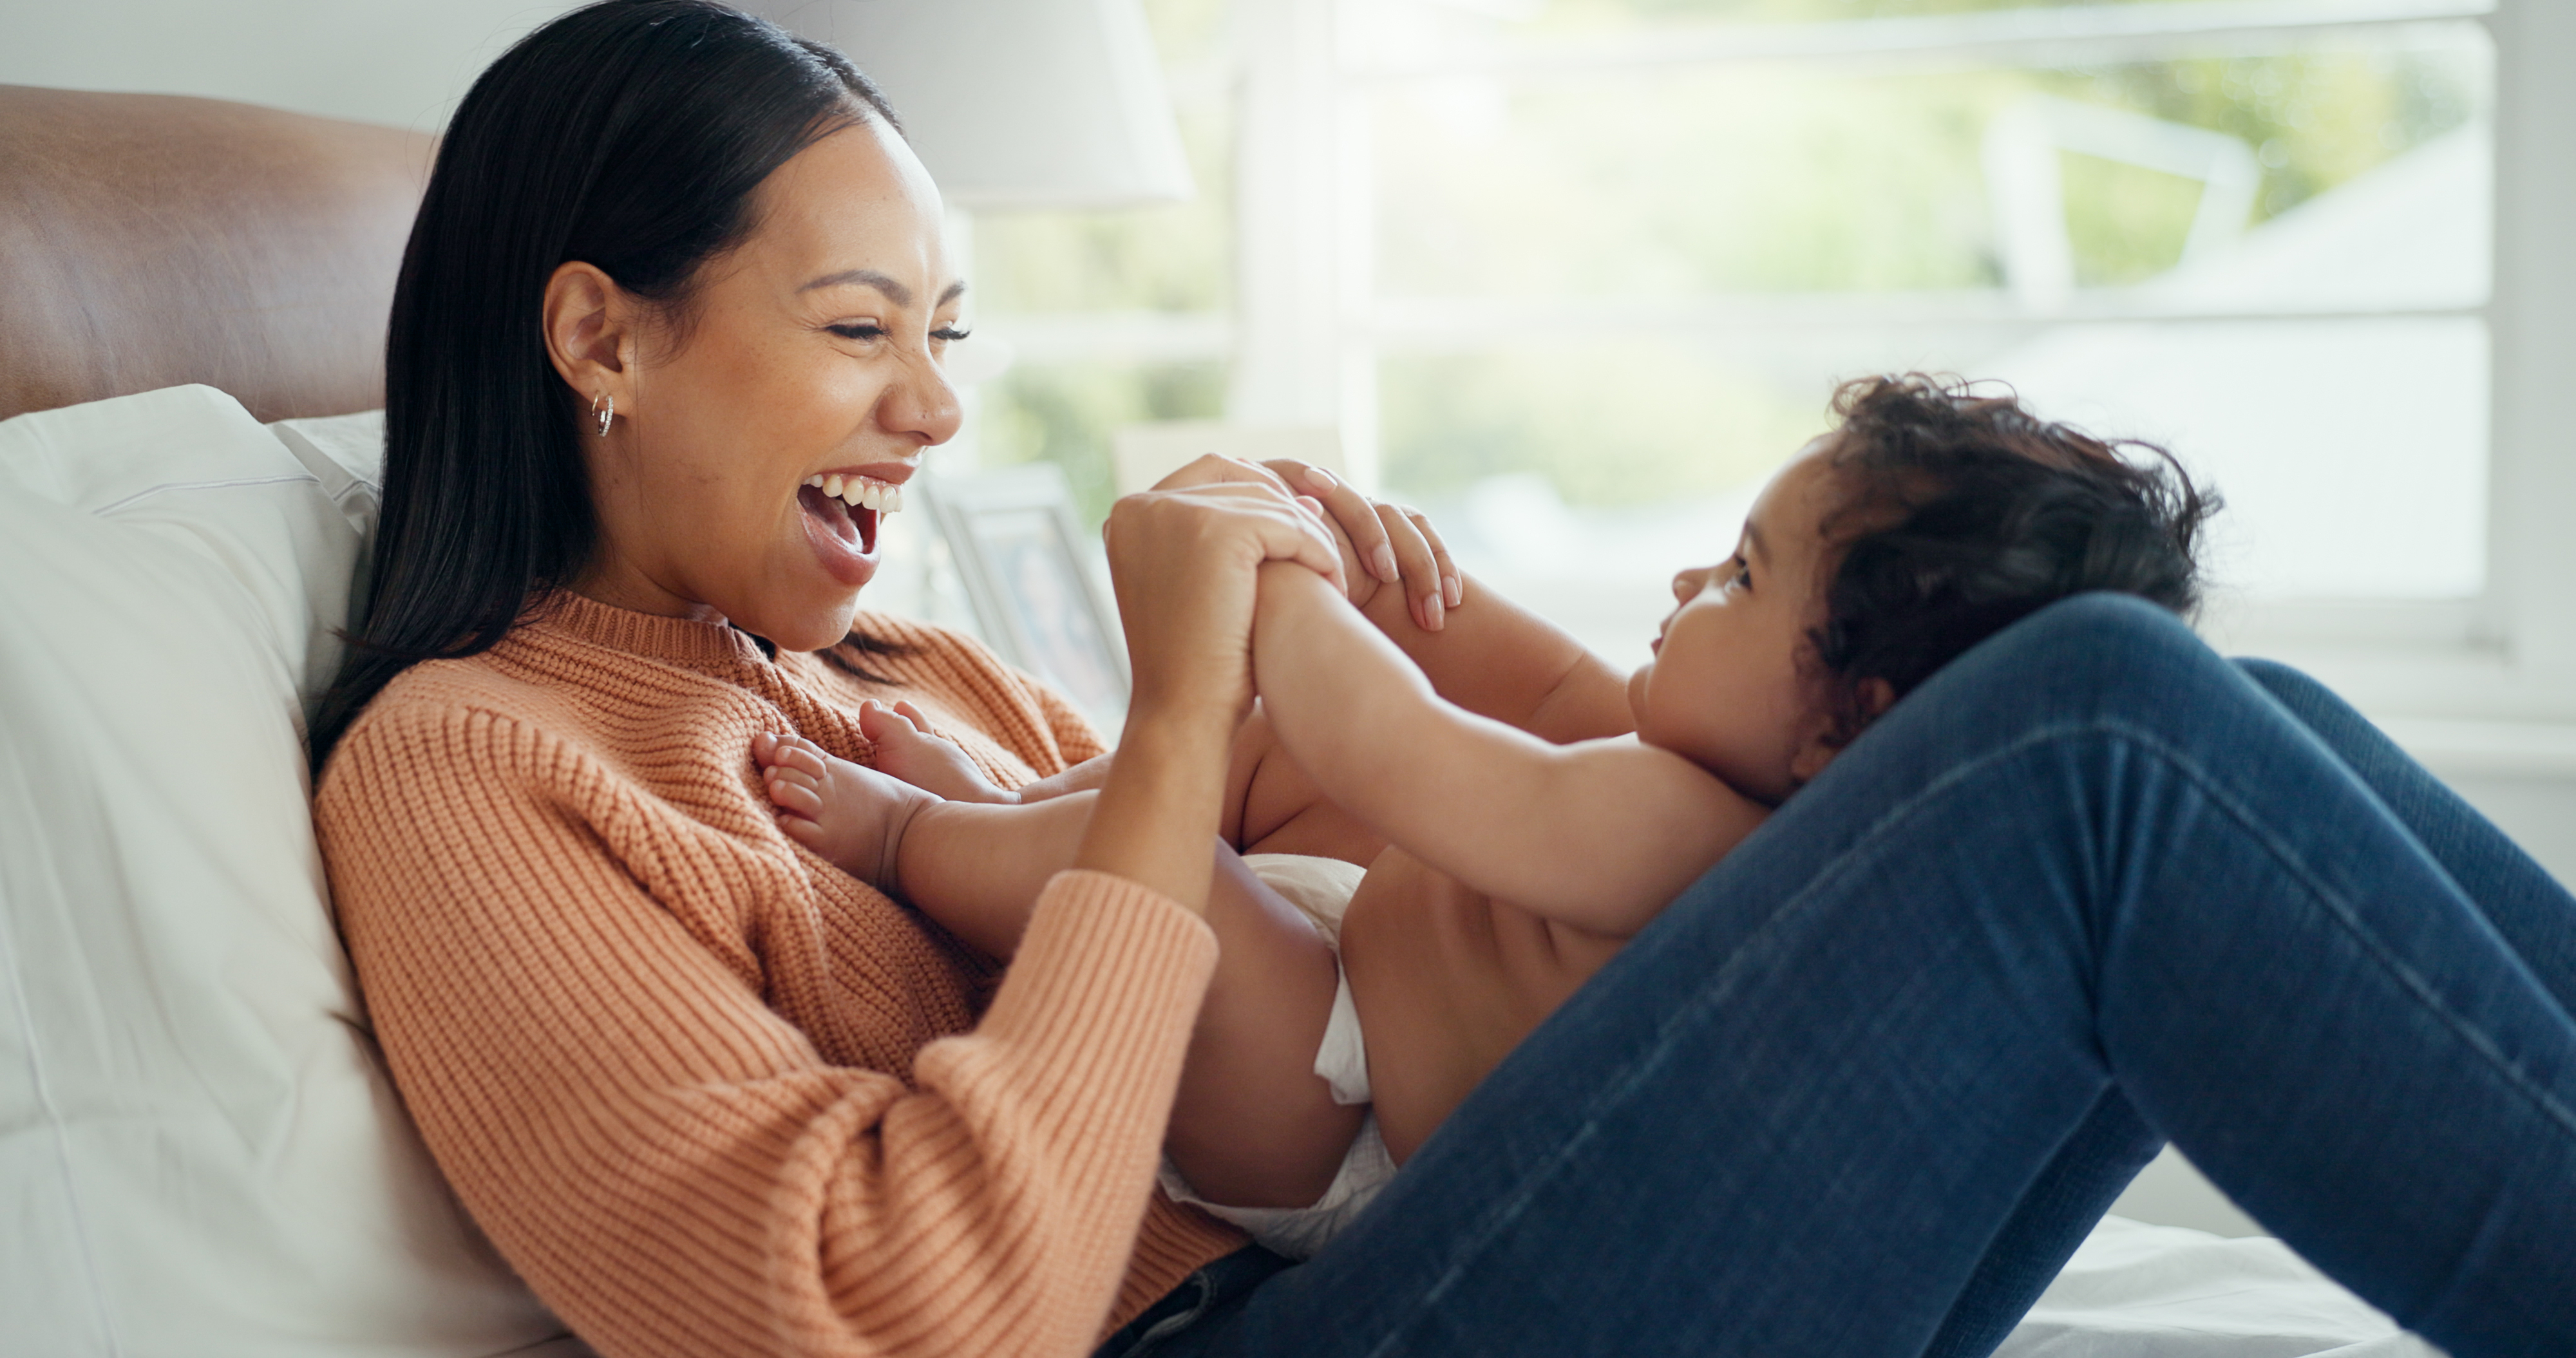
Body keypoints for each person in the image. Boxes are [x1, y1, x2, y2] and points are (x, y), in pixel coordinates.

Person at [310, 4, 2576, 1357]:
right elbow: (895, 1318)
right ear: (599, 334)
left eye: (951, 340)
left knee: (2200, 731)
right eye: (856, 332)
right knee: (2101, 737)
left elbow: (1400, 909)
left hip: (1410, 1222)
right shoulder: (475, 771)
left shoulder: (892, 652)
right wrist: (1184, 725)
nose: (934, 417)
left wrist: (1387, 640)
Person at [745, 374, 2218, 1262]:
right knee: (1242, 759)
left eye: (1739, 579)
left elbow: (1395, 748)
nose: (1683, 589)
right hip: (1346, 973)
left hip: (1335, 1125)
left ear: (1853, 726)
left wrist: (1278, 586)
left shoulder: (1687, 839)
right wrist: (1379, 561)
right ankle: (1012, 808)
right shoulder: (1707, 774)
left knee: (1180, 878)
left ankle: (912, 843)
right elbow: (1546, 675)